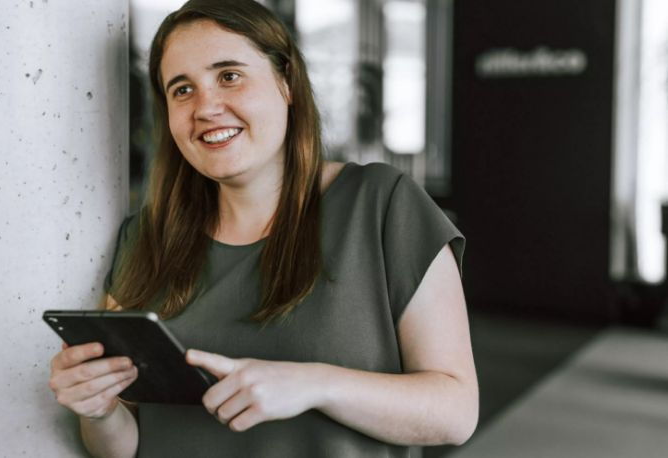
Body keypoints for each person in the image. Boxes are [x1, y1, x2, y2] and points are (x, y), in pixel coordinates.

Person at [48, 0, 478, 456]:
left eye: (229, 76)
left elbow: (455, 412)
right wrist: (99, 411)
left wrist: (314, 384)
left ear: (286, 82)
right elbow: (126, 446)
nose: (206, 107)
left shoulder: (381, 204)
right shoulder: (144, 237)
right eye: (182, 90)